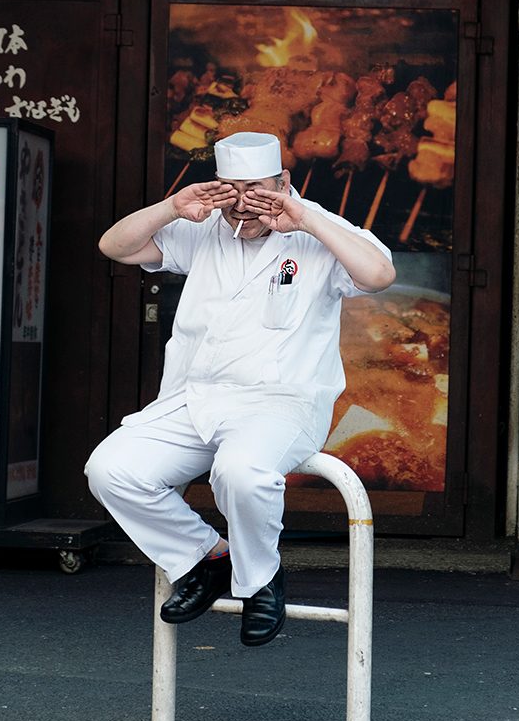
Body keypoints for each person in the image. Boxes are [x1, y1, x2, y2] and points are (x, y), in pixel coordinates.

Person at [85, 131, 395, 646]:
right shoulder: (204, 229)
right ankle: (206, 557)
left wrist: (305, 218)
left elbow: (379, 274)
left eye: (257, 190)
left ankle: (260, 581)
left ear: (283, 183)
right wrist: (170, 206)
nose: (244, 206)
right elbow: (113, 246)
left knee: (241, 472)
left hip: (281, 401)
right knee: (112, 470)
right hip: (194, 396)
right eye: (232, 192)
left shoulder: (315, 231)